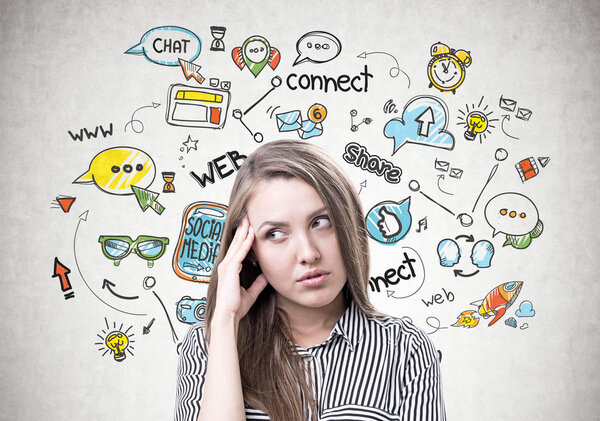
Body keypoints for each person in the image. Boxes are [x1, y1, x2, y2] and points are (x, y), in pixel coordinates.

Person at [174, 140, 445, 421]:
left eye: (321, 222)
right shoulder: (208, 343)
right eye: (276, 234)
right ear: (249, 250)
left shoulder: (405, 349)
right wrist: (226, 320)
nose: (308, 254)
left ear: (348, 223)